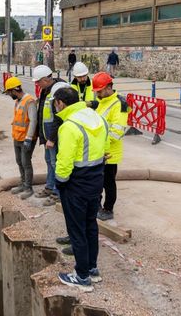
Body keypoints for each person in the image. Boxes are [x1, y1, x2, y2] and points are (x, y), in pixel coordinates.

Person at [51, 86, 107, 292]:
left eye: (55, 103)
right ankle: (92, 268)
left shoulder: (68, 126)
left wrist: (59, 182)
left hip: (75, 184)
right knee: (91, 226)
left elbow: (64, 162)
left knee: (77, 231)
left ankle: (82, 277)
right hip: (95, 180)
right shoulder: (97, 118)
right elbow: (105, 147)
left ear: (60, 103)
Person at [91, 72, 128, 221]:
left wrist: (99, 142)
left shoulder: (119, 104)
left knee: (108, 183)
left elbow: (117, 132)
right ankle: (97, 206)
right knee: (98, 182)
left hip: (110, 153)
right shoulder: (103, 101)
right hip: (99, 150)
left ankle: (108, 209)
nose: (97, 94)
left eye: (99, 91)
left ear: (108, 87)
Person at [31, 65, 67, 206]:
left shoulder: (58, 90)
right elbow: (44, 114)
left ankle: (57, 193)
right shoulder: (46, 90)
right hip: (47, 134)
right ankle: (50, 186)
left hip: (54, 135)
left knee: (56, 163)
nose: (37, 84)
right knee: (49, 161)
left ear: (46, 79)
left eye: (38, 81)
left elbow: (59, 117)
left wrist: (52, 138)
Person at [4, 76, 37, 199]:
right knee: (19, 161)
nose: (8, 95)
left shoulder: (29, 101)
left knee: (26, 163)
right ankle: (23, 184)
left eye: (8, 92)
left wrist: (29, 138)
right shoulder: (17, 101)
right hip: (17, 137)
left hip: (26, 139)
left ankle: (28, 187)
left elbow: (33, 121)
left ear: (14, 90)